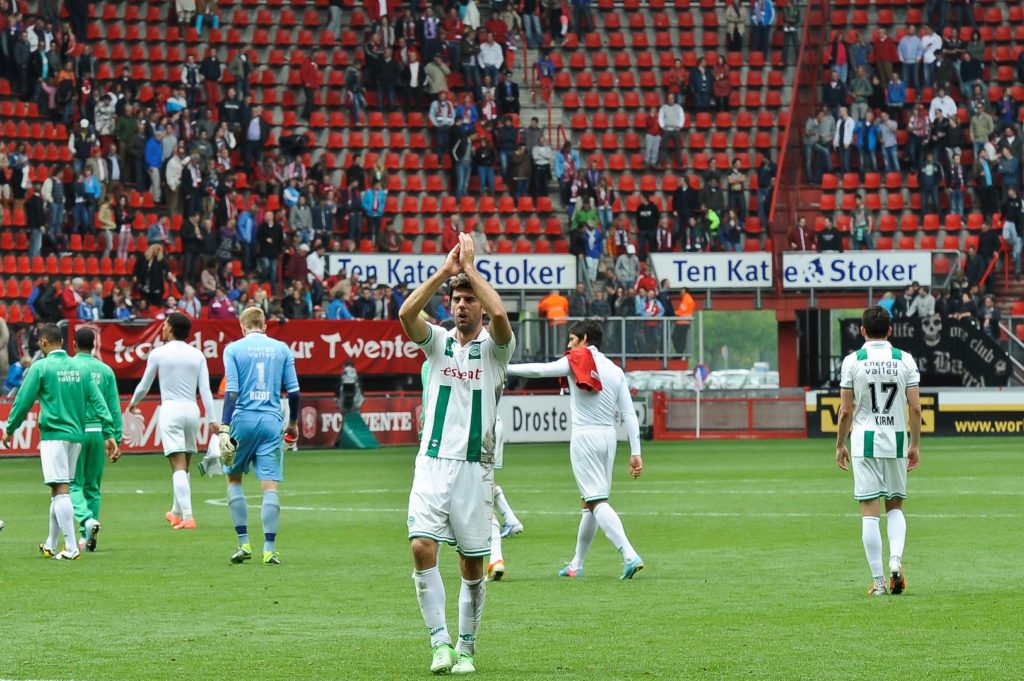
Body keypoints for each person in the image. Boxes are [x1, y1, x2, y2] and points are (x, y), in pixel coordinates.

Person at [399, 233, 515, 675]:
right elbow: (406, 313)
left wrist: (472, 271)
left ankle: (467, 647)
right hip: (431, 463)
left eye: (469, 299)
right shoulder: (437, 343)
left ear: (480, 305)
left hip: (474, 467)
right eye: (457, 299)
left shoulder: (497, 350)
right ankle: (439, 642)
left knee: (471, 563)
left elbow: (500, 315)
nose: (462, 305)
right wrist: (446, 272)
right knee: (421, 546)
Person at [506, 319, 644, 579]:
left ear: (584, 340)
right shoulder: (615, 370)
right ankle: (576, 565)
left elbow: (540, 371)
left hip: (585, 436)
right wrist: (636, 452)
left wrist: (503, 366)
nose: (568, 345)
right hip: (609, 437)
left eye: (571, 339)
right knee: (589, 502)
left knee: (596, 501)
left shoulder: (576, 360)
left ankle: (629, 554)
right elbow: (628, 413)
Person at [1, 324, 116, 561]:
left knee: (61, 489)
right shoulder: (80, 367)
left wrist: (10, 428)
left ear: (43, 342)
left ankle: (71, 548)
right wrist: (109, 432)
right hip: (76, 437)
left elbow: (23, 401)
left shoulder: (41, 367)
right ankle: (51, 544)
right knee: (58, 489)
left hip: (54, 436)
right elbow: (98, 401)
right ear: (62, 342)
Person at [835, 306, 922, 597]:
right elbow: (916, 408)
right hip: (896, 441)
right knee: (895, 506)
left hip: (864, 442)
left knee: (869, 513)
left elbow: (845, 410)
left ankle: (880, 582)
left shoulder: (853, 361)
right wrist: (914, 445)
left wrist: (840, 444)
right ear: (890, 330)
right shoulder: (904, 359)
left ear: (862, 331)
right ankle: (895, 560)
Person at [217, 307, 300, 566]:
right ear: (264, 326)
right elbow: (294, 392)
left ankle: (243, 544)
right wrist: (293, 423)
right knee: (270, 485)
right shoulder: (282, 349)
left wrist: (225, 426)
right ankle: (270, 549)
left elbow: (232, 391)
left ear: (242, 327)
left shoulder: (233, 349)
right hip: (272, 421)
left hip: (242, 419)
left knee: (234, 479)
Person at [127, 313, 217, 531]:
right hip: (192, 411)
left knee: (177, 467)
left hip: (171, 410)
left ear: (172, 328)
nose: (163, 327)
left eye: (165, 324)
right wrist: (213, 419)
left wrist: (133, 402)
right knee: (184, 467)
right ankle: (176, 513)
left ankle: (188, 517)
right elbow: (205, 389)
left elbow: (144, 384)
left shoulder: (159, 353)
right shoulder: (197, 355)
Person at [69, 328, 122, 552]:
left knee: (72, 484)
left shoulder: (68, 367)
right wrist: (115, 438)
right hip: (99, 433)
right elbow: (113, 407)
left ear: (73, 344)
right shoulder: (105, 370)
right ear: (94, 345)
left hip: (76, 431)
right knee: (93, 487)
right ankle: (87, 537)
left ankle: (86, 522)